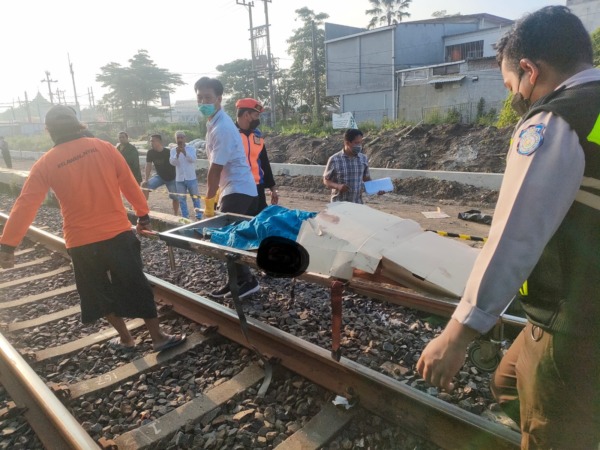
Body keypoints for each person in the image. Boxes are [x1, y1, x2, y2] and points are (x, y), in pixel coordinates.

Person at [416, 6, 600, 449]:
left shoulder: (555, 122)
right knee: (508, 381)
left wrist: (458, 334)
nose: (514, 95)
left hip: (574, 321)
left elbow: (515, 235)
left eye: (510, 84)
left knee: (551, 435)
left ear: (530, 71)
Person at [0, 105, 186, 352]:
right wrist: (143, 216)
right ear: (79, 124)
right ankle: (158, 337)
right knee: (136, 284)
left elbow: (25, 205)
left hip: (80, 241)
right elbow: (130, 185)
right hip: (118, 233)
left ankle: (126, 339)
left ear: (48, 130)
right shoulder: (105, 148)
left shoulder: (46, 163)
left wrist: (8, 245)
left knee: (97, 292)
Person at [195, 77, 259, 299]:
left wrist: (209, 203)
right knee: (230, 238)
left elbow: (214, 170)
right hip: (234, 187)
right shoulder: (214, 122)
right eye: (200, 97)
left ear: (219, 99)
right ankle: (238, 281)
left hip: (237, 188)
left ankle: (246, 282)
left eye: (208, 97)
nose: (203, 101)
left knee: (228, 239)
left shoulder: (222, 127)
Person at [235, 98, 279, 212]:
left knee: (259, 221)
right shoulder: (231, 134)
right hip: (238, 188)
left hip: (257, 187)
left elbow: (264, 161)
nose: (258, 119)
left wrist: (273, 188)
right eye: (256, 115)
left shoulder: (257, 135)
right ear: (246, 115)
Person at [323, 128, 381, 204]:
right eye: (356, 143)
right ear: (347, 143)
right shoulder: (334, 159)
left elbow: (366, 179)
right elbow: (326, 180)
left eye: (360, 143)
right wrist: (338, 186)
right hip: (338, 204)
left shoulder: (363, 159)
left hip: (357, 203)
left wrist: (377, 189)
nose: (359, 146)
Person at [142, 134, 179, 216]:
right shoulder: (150, 153)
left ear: (159, 142)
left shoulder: (168, 152)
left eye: (153, 141)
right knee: (144, 186)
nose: (151, 142)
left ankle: (176, 214)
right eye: (150, 141)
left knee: (175, 197)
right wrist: (146, 179)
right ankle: (144, 210)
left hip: (171, 178)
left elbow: (177, 165)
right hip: (160, 176)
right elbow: (148, 165)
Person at [169, 131, 201, 220]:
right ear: (175, 139)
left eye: (181, 137)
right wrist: (177, 154)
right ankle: (185, 217)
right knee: (182, 199)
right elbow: (172, 163)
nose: (180, 139)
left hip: (191, 178)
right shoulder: (172, 150)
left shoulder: (191, 148)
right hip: (179, 179)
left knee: (195, 198)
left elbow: (193, 160)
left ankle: (199, 216)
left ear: (185, 138)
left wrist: (185, 152)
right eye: (178, 138)